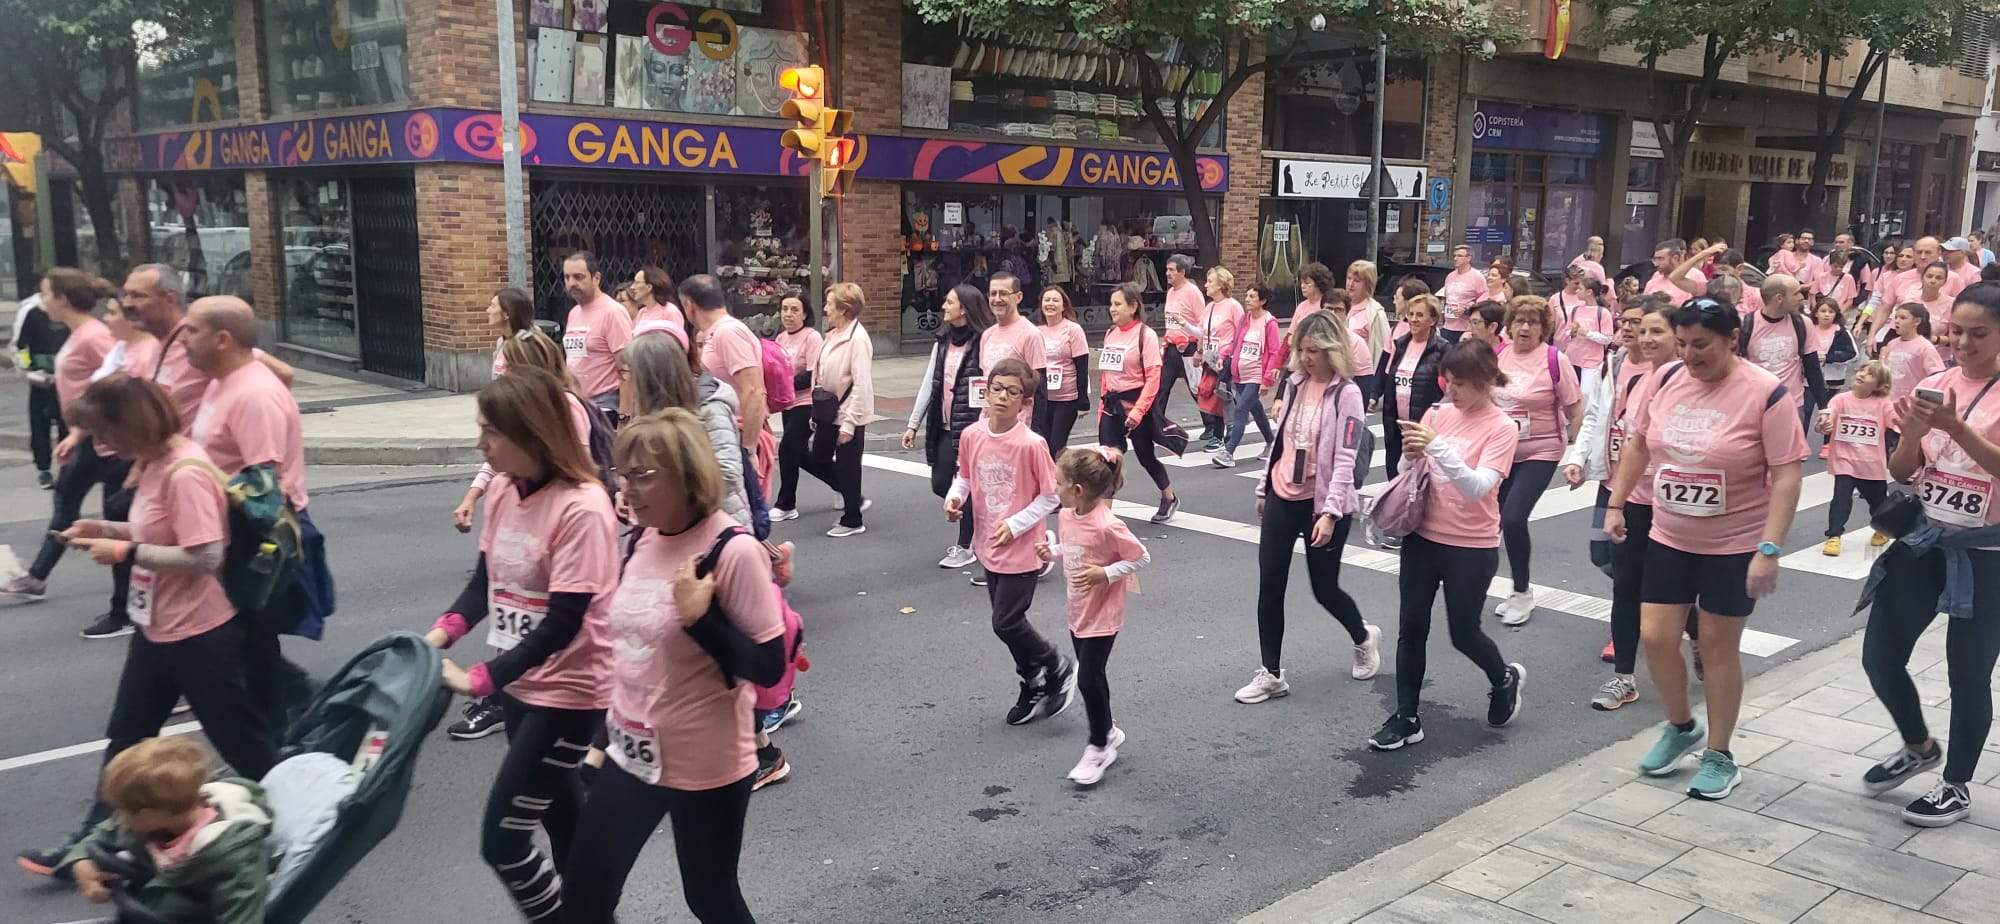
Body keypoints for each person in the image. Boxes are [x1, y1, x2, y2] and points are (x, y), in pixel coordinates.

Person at [16, 375, 277, 876]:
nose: (100, 444)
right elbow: (159, 528)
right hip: (157, 627)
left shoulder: (185, 470)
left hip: (199, 633)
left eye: (103, 432)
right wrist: (106, 529)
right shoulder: (156, 465)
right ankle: (91, 847)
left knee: (243, 741)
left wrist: (127, 550)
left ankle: (296, 817)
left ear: (131, 423)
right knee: (126, 739)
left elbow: (205, 553)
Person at [561, 410, 785, 924]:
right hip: (632, 750)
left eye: (642, 475)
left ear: (686, 475)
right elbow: (632, 657)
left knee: (709, 896)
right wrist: (600, 744)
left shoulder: (733, 551)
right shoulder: (641, 538)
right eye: (622, 473)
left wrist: (701, 620)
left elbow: (769, 667)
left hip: (705, 759)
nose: (626, 488)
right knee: (584, 896)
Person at [423, 368, 618, 921]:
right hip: (522, 687)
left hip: (571, 694)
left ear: (530, 433)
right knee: (564, 821)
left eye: (491, 431)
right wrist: (440, 634)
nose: (481, 444)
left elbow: (563, 625)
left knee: (502, 842)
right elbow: (485, 582)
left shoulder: (582, 507)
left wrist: (478, 679)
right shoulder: (506, 490)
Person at [1606, 297, 1807, 801]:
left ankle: (1720, 754)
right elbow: (1638, 442)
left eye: (1702, 346)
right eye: (1683, 344)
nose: (1690, 356)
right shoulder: (1667, 377)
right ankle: (1680, 725)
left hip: (1734, 543)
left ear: (1732, 340)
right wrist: (1617, 502)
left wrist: (1770, 547)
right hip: (1670, 534)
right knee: (1654, 636)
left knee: (1717, 647)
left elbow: (1786, 475)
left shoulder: (1766, 393)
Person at [1856, 282, 2000, 827]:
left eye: (1978, 334)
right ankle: (1918, 747)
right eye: (1956, 331)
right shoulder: (1936, 382)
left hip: (1987, 552)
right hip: (1925, 539)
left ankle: (1956, 784)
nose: (1962, 342)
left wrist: (1957, 428)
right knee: (1880, 655)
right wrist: (1914, 431)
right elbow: (1902, 472)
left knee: (1969, 671)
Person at [1369, 341, 1528, 750]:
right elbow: (1413, 471)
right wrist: (1411, 455)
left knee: (1463, 632)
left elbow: (1479, 487)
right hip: (1424, 535)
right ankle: (1406, 716)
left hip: (1471, 544)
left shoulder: (1503, 428)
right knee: (1411, 626)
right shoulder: (1438, 413)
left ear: (1486, 381)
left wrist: (1436, 446)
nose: (1451, 390)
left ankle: (1502, 677)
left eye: (1460, 383)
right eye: (1449, 381)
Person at [1233, 310, 1382, 705]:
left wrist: (1332, 513)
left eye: (1315, 350)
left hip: (1323, 503)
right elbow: (1281, 442)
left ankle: (1363, 636)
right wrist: (1264, 488)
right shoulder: (1296, 384)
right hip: (1284, 494)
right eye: (1302, 349)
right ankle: (1272, 673)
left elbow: (1347, 458)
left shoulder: (1347, 394)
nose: (1307, 357)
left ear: (1333, 351)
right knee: (1270, 584)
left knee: (1324, 588)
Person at [945, 359, 1075, 723]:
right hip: (989, 544)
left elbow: (1051, 496)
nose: (1002, 396)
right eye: (997, 388)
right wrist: (954, 499)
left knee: (1006, 621)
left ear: (1025, 402)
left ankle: (1056, 664)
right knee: (1005, 621)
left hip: (1022, 547)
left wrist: (1016, 524)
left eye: (1012, 392)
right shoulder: (973, 435)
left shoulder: (1031, 444)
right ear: (985, 392)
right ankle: (1032, 680)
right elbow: (965, 477)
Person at [2, 271, 126, 635]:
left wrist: (85, 429)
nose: (42, 302)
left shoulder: (95, 336)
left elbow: (120, 381)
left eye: (45, 294)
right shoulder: (82, 334)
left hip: (111, 442)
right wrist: (76, 432)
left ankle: (124, 609)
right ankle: (38, 576)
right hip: (91, 439)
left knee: (112, 517)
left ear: (64, 299)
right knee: (67, 502)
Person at [1565, 300, 1665, 709]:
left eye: (1645, 327)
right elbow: (1596, 417)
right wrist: (1577, 458)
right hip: (1616, 482)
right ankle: (1628, 666)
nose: (1635, 334)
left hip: (1660, 493)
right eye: (1630, 325)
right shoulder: (1615, 363)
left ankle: (1631, 667)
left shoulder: (1674, 374)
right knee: (1606, 561)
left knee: (1649, 581)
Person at [59, 737, 272, 923]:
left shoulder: (233, 861)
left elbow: (242, 917)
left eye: (125, 811)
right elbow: (107, 831)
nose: (119, 818)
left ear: (152, 814)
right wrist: (81, 858)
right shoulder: (155, 817)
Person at [1036, 447, 1150, 786]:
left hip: (1104, 613)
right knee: (1094, 677)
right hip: (1078, 609)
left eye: (1058, 483)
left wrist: (1106, 573)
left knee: (1087, 677)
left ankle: (1099, 746)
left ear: (1077, 490)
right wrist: (1053, 552)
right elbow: (1072, 546)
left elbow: (1140, 557)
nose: (1053, 488)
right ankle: (1109, 730)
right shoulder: (1069, 515)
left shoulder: (1107, 523)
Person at [1490, 296, 1584, 625]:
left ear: (1544, 328)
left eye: (1533, 322)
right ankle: (1501, 588)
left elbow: (1574, 409)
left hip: (1541, 450)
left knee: (1514, 517)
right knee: (1495, 520)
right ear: (1509, 325)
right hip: (1502, 451)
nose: (1525, 327)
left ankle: (1521, 590)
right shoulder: (1499, 355)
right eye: (1519, 320)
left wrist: (1577, 457)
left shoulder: (1555, 360)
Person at [624, 330, 753, 529]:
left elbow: (728, 474)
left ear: (649, 378)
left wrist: (670, 496)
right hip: (670, 529)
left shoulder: (709, 408)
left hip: (715, 529)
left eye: (629, 373)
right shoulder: (646, 415)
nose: (626, 381)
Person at [906, 284, 993, 574]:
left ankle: (966, 545)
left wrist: (987, 422)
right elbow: (929, 382)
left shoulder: (983, 342)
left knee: (965, 484)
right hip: (944, 424)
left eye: (949, 301)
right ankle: (980, 528)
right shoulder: (942, 341)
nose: (944, 306)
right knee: (941, 482)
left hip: (973, 427)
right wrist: (913, 423)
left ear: (965, 309)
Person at [683, 273, 772, 494]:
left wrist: (749, 450)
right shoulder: (716, 332)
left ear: (689, 305)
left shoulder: (728, 333)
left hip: (739, 435)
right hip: (727, 433)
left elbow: (753, 390)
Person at [1098, 283, 1179, 523]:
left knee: (1145, 456)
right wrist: (1101, 409)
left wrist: (1138, 411)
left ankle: (1168, 495)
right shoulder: (1110, 333)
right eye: (1111, 304)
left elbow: (1154, 377)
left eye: (1118, 304)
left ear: (1133, 306)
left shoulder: (1146, 335)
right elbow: (1107, 374)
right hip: (1111, 405)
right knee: (1107, 459)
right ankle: (1105, 517)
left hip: (1136, 405)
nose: (1112, 309)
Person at [800, 282, 874, 537]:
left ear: (845, 309)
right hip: (826, 411)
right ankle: (851, 495)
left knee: (848, 465)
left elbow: (862, 383)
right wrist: (814, 411)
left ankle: (853, 518)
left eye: (830, 304)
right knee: (815, 456)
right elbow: (819, 374)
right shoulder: (832, 335)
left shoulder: (858, 340)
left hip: (847, 414)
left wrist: (850, 423)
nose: (826, 309)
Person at [1817, 360, 1894, 556]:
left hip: (1871, 464)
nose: (1860, 375)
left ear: (1879, 385)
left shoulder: (1883, 404)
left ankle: (1882, 528)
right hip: (1845, 460)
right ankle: (1834, 535)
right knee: (1841, 498)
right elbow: (1828, 417)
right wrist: (1824, 424)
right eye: (1861, 370)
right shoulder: (1840, 399)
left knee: (1877, 501)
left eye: (1869, 375)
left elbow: (1896, 423)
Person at [1743, 274, 1830, 440]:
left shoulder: (1803, 324)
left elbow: (1812, 367)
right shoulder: (1746, 325)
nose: (1801, 297)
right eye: (1796, 293)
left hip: (1791, 404)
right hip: (1755, 406)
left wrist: (1823, 407)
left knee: (1788, 461)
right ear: (1779, 298)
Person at [559, 251, 634, 414]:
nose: (571, 283)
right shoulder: (574, 313)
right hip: (577, 402)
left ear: (596, 278)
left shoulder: (613, 312)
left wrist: (624, 416)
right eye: (567, 277)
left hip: (605, 404)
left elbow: (627, 369)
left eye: (579, 277)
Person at [1383, 294, 1446, 486]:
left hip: (1423, 427)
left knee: (1420, 484)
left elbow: (1446, 392)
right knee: (1395, 481)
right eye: (1411, 314)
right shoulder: (1401, 344)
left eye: (1420, 315)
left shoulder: (1443, 350)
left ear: (1433, 320)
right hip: (1397, 427)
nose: (1413, 319)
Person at [1216, 283, 1280, 469]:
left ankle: (1228, 451)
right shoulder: (1245, 319)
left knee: (1240, 409)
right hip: (1239, 374)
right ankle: (1271, 442)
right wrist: (1223, 356)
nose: (1247, 299)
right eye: (1247, 295)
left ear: (1263, 301)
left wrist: (1267, 380)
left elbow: (1275, 352)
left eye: (1252, 297)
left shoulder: (1270, 323)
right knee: (1257, 410)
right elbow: (1235, 343)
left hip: (1256, 375)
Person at [772, 294, 823, 522]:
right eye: (785, 309)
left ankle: (786, 504)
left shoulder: (812, 338)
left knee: (787, 449)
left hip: (808, 402)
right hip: (788, 403)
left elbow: (812, 375)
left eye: (794, 310)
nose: (788, 314)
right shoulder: (781, 338)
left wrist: (784, 384)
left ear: (804, 314)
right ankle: (847, 488)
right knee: (800, 455)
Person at [14, 288, 65, 489]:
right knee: (40, 425)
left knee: (66, 425)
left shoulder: (69, 314)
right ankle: (43, 468)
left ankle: (66, 467)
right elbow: (22, 345)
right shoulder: (33, 313)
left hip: (64, 378)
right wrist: (30, 368)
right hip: (40, 378)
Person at [1034, 286, 1091, 456]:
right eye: (1047, 300)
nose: (1050, 304)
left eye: (1055, 300)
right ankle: (1051, 481)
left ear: (1063, 306)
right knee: (1042, 446)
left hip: (1067, 399)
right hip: (1043, 399)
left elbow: (1082, 366)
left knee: (1056, 446)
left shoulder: (1073, 329)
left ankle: (1060, 480)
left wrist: (1083, 401)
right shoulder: (1036, 332)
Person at [1193, 268, 1245, 450]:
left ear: (1221, 285)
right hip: (1210, 357)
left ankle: (1221, 434)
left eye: (1210, 281)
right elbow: (1202, 332)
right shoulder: (1209, 307)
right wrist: (1199, 351)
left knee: (1220, 395)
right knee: (1215, 394)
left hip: (1225, 358)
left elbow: (1240, 333)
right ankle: (1227, 429)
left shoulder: (1234, 306)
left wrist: (1231, 355)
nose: (1206, 284)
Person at [982, 270, 1052, 408]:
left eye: (1003, 294)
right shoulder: (986, 335)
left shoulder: (1031, 334)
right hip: (989, 419)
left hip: (1018, 421)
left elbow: (1040, 388)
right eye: (993, 294)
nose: (997, 299)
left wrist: (1037, 427)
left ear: (1018, 297)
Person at [1880, 304, 1946, 437]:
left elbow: (1937, 377)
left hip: (1909, 410)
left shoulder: (1924, 347)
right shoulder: (1892, 344)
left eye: (1903, 318)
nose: (1897, 321)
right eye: (1896, 317)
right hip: (1887, 406)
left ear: (1917, 321)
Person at [1553, 265, 1614, 391]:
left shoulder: (1603, 313)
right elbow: (1567, 332)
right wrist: (1572, 331)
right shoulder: (1576, 310)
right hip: (1572, 356)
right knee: (1569, 390)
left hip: (1591, 361)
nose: (1577, 291)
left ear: (1589, 292)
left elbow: (1607, 339)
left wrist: (1588, 333)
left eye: (1580, 288)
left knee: (1587, 394)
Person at [1157, 254, 1204, 416]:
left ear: (1182, 272)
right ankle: (1157, 424)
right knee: (1162, 387)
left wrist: (1200, 349)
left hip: (1189, 347)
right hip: (1171, 348)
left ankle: (1212, 425)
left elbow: (1202, 323)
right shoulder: (1170, 292)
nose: (1167, 273)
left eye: (1171, 270)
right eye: (1167, 270)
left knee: (1196, 388)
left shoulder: (1193, 292)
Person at [1344, 260, 1393, 406]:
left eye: (1357, 281)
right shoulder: (1341, 305)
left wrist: (1375, 389)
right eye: (1349, 278)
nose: (1350, 284)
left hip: (1361, 377)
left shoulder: (1375, 313)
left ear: (1368, 284)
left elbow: (1383, 351)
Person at [484, 287, 538, 378]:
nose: (488, 310)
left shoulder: (526, 344)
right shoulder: (501, 341)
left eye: (493, 306)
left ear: (506, 314)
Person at [1440, 245, 1485, 341]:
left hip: (1465, 328)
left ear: (1469, 258)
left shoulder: (1477, 277)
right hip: (1447, 326)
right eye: (1454, 256)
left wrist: (1467, 308)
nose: (1456, 259)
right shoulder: (1450, 276)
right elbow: (1446, 298)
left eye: (1460, 256)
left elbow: (1484, 299)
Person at [632, 265, 686, 332]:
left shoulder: (670, 311)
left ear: (649, 287)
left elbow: (676, 338)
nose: (632, 287)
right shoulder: (641, 312)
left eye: (637, 283)